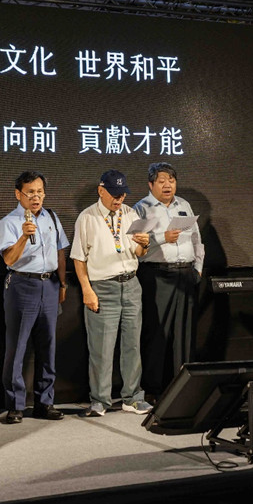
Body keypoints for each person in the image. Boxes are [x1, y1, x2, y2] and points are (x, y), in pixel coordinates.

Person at [72, 170, 152, 417]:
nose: (119, 199)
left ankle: (132, 397)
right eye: (115, 194)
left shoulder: (131, 214)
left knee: (132, 345)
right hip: (103, 287)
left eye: (123, 194)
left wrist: (145, 244)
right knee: (102, 348)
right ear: (101, 190)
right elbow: (78, 258)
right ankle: (100, 400)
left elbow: (139, 253)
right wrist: (87, 290)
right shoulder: (87, 217)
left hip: (131, 284)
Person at [0, 170, 68, 424]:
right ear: (18, 194)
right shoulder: (9, 222)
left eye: (39, 192)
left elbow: (60, 252)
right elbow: (8, 259)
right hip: (21, 284)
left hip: (49, 284)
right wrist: (24, 237)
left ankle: (44, 402)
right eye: (30, 193)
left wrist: (62, 283)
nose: (36, 197)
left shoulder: (51, 217)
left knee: (48, 346)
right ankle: (15, 405)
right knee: (17, 347)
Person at [132, 162, 204, 399]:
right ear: (150, 184)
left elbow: (196, 240)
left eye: (171, 181)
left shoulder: (183, 204)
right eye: (161, 181)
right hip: (157, 275)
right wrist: (163, 237)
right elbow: (135, 246)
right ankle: (154, 390)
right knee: (157, 333)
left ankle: (183, 387)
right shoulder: (141, 208)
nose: (167, 185)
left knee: (185, 334)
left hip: (186, 274)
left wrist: (198, 269)